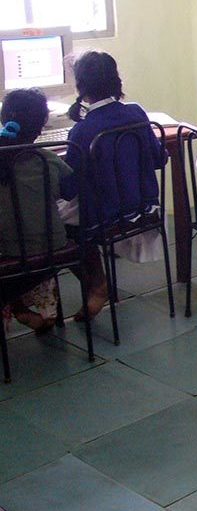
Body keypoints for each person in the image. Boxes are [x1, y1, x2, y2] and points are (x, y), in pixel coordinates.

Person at [60, 50, 165, 320]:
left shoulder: (81, 132)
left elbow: (68, 188)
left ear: (80, 87)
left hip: (105, 219)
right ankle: (100, 285)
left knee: (57, 224)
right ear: (116, 81)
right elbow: (158, 158)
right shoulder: (137, 114)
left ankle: (97, 284)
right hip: (145, 210)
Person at [0, 88, 69, 332]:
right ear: (42, 126)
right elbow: (69, 192)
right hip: (53, 250)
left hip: (8, 254)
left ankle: (15, 307)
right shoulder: (48, 160)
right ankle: (44, 313)